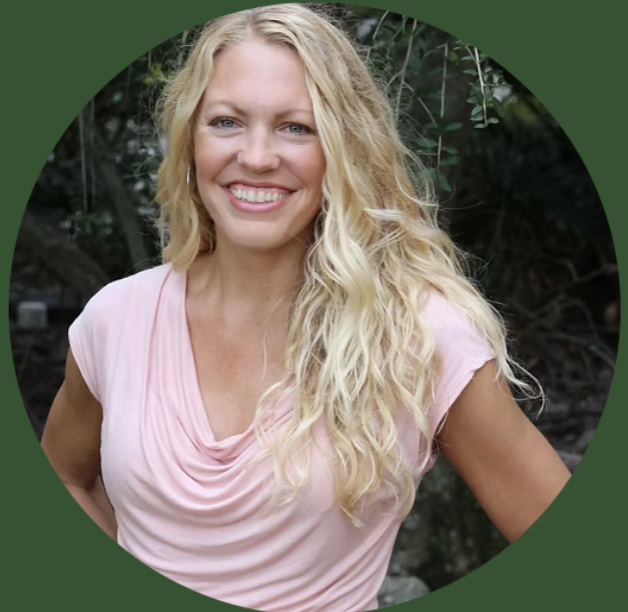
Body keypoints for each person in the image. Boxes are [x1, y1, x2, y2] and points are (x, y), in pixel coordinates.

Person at [41, 4, 571, 611]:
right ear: (189, 141)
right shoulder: (116, 318)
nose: (257, 156)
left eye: (296, 127)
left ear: (344, 147)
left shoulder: (417, 333)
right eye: (226, 122)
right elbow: (64, 476)